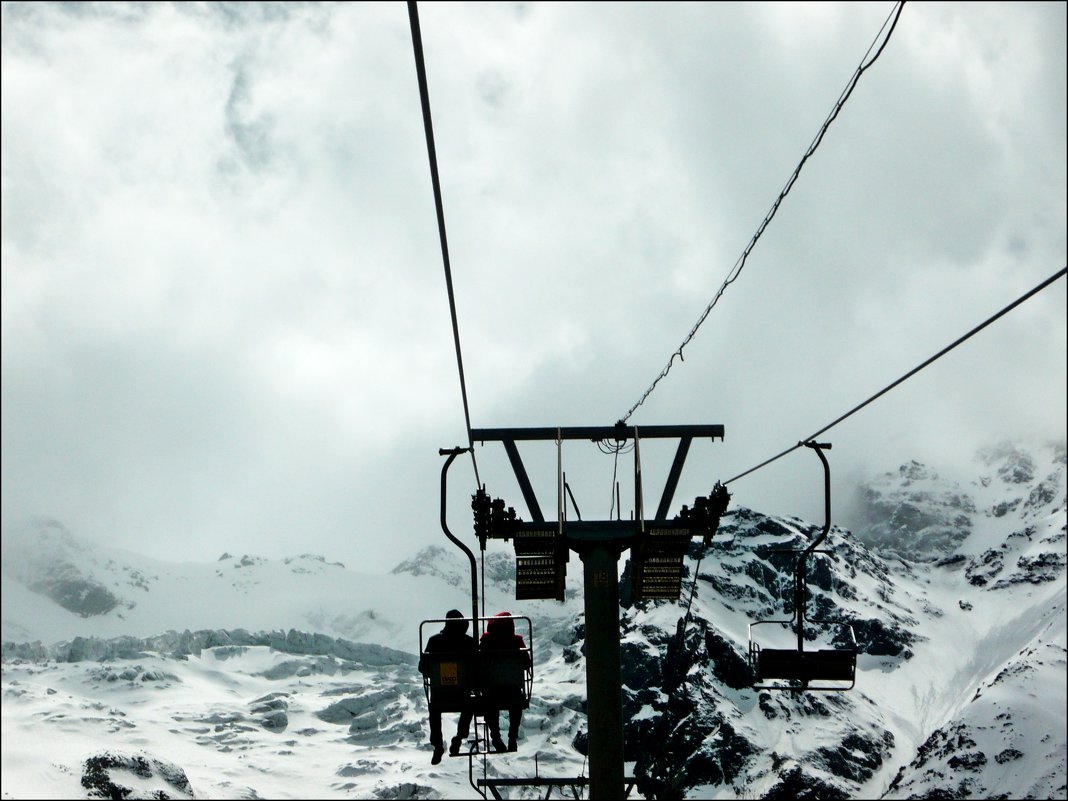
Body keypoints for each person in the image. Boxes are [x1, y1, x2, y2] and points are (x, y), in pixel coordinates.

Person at [419, 609, 476, 764]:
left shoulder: (434, 641)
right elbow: (477, 668)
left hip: (440, 694)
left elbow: (423, 668)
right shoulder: (469, 642)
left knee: (434, 710)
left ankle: (438, 744)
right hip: (462, 694)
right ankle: (459, 736)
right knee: (470, 705)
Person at [479, 611, 531, 752]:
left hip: (491, 691)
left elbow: (479, 664)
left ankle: (495, 736)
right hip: (512, 689)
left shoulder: (486, 641)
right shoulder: (517, 641)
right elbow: (527, 663)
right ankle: (512, 737)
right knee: (516, 705)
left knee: (490, 705)